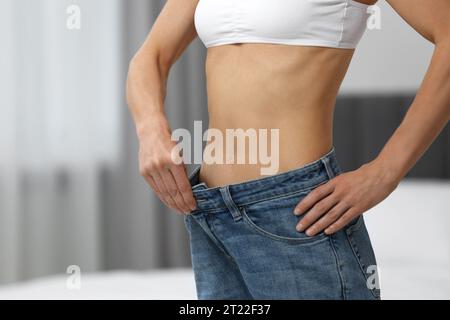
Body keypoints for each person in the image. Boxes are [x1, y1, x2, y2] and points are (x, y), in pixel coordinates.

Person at [126, 0, 450, 299]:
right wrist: (151, 128)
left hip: (296, 212)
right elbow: (150, 56)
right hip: (210, 211)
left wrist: (385, 171)